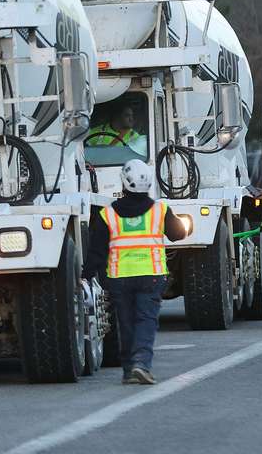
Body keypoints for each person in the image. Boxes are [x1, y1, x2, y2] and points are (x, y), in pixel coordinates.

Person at [83, 159, 186, 384]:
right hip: (151, 275)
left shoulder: (107, 214)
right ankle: (141, 363)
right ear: (149, 183)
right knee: (146, 320)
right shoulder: (160, 210)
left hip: (119, 278)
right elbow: (178, 234)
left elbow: (96, 251)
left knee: (126, 323)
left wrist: (85, 276)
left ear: (123, 183)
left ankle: (129, 370)